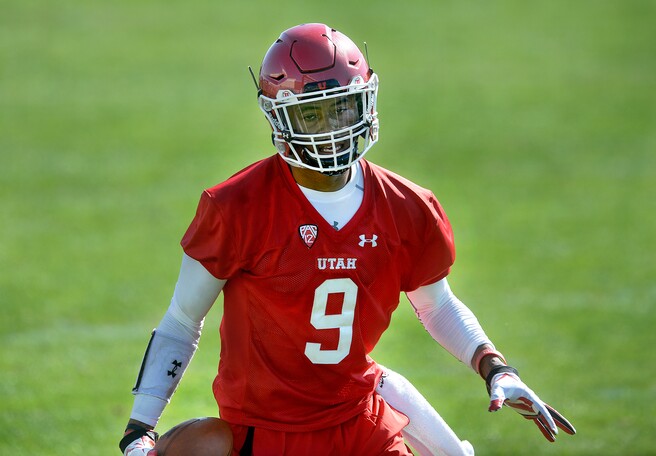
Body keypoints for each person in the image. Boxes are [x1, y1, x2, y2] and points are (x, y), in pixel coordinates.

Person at [119, 23, 575, 456]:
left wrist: (496, 367)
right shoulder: (237, 206)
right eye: (311, 114)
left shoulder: (407, 205)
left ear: (366, 101)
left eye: (341, 108)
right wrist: (139, 430)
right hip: (266, 429)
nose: (330, 128)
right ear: (278, 117)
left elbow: (436, 304)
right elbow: (182, 322)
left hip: (360, 419)